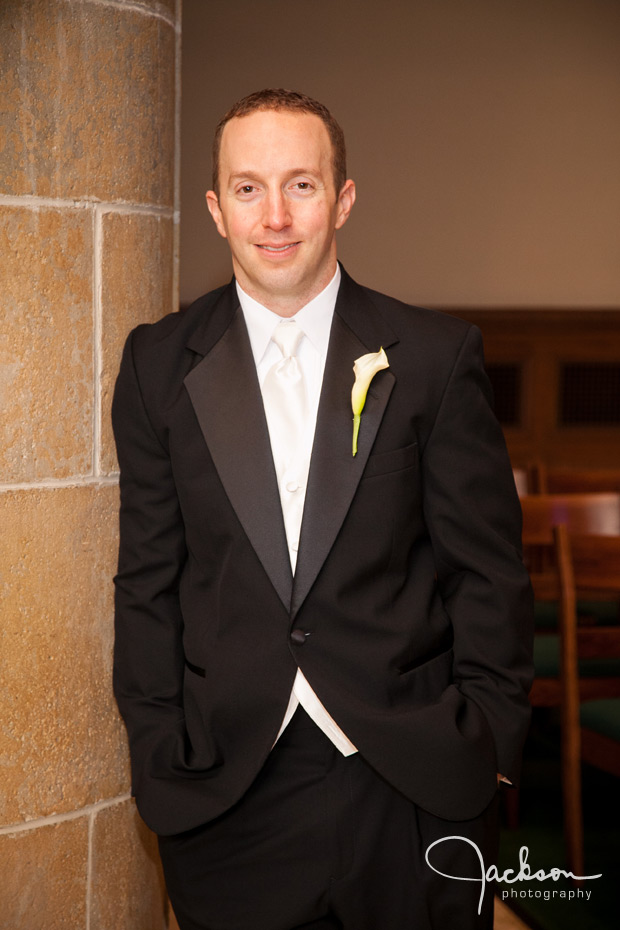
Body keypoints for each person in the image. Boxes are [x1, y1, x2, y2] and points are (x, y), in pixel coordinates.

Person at [112, 88, 533, 930]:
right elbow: (150, 581)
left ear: (342, 198)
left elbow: (488, 575)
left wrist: (484, 745)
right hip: (228, 795)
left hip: (413, 789)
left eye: (301, 185)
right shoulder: (158, 365)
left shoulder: (436, 359)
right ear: (215, 208)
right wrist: (161, 756)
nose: (275, 215)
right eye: (247, 188)